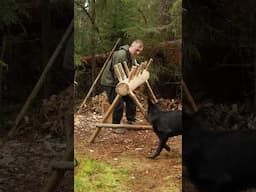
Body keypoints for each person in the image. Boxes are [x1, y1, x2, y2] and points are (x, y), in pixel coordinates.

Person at [100, 39, 144, 133]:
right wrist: (125, 86)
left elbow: (131, 71)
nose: (138, 53)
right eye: (137, 50)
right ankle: (115, 126)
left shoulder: (131, 56)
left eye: (140, 51)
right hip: (110, 82)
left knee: (131, 99)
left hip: (122, 82)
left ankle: (130, 121)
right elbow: (117, 73)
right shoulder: (121, 54)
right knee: (118, 103)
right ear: (132, 46)